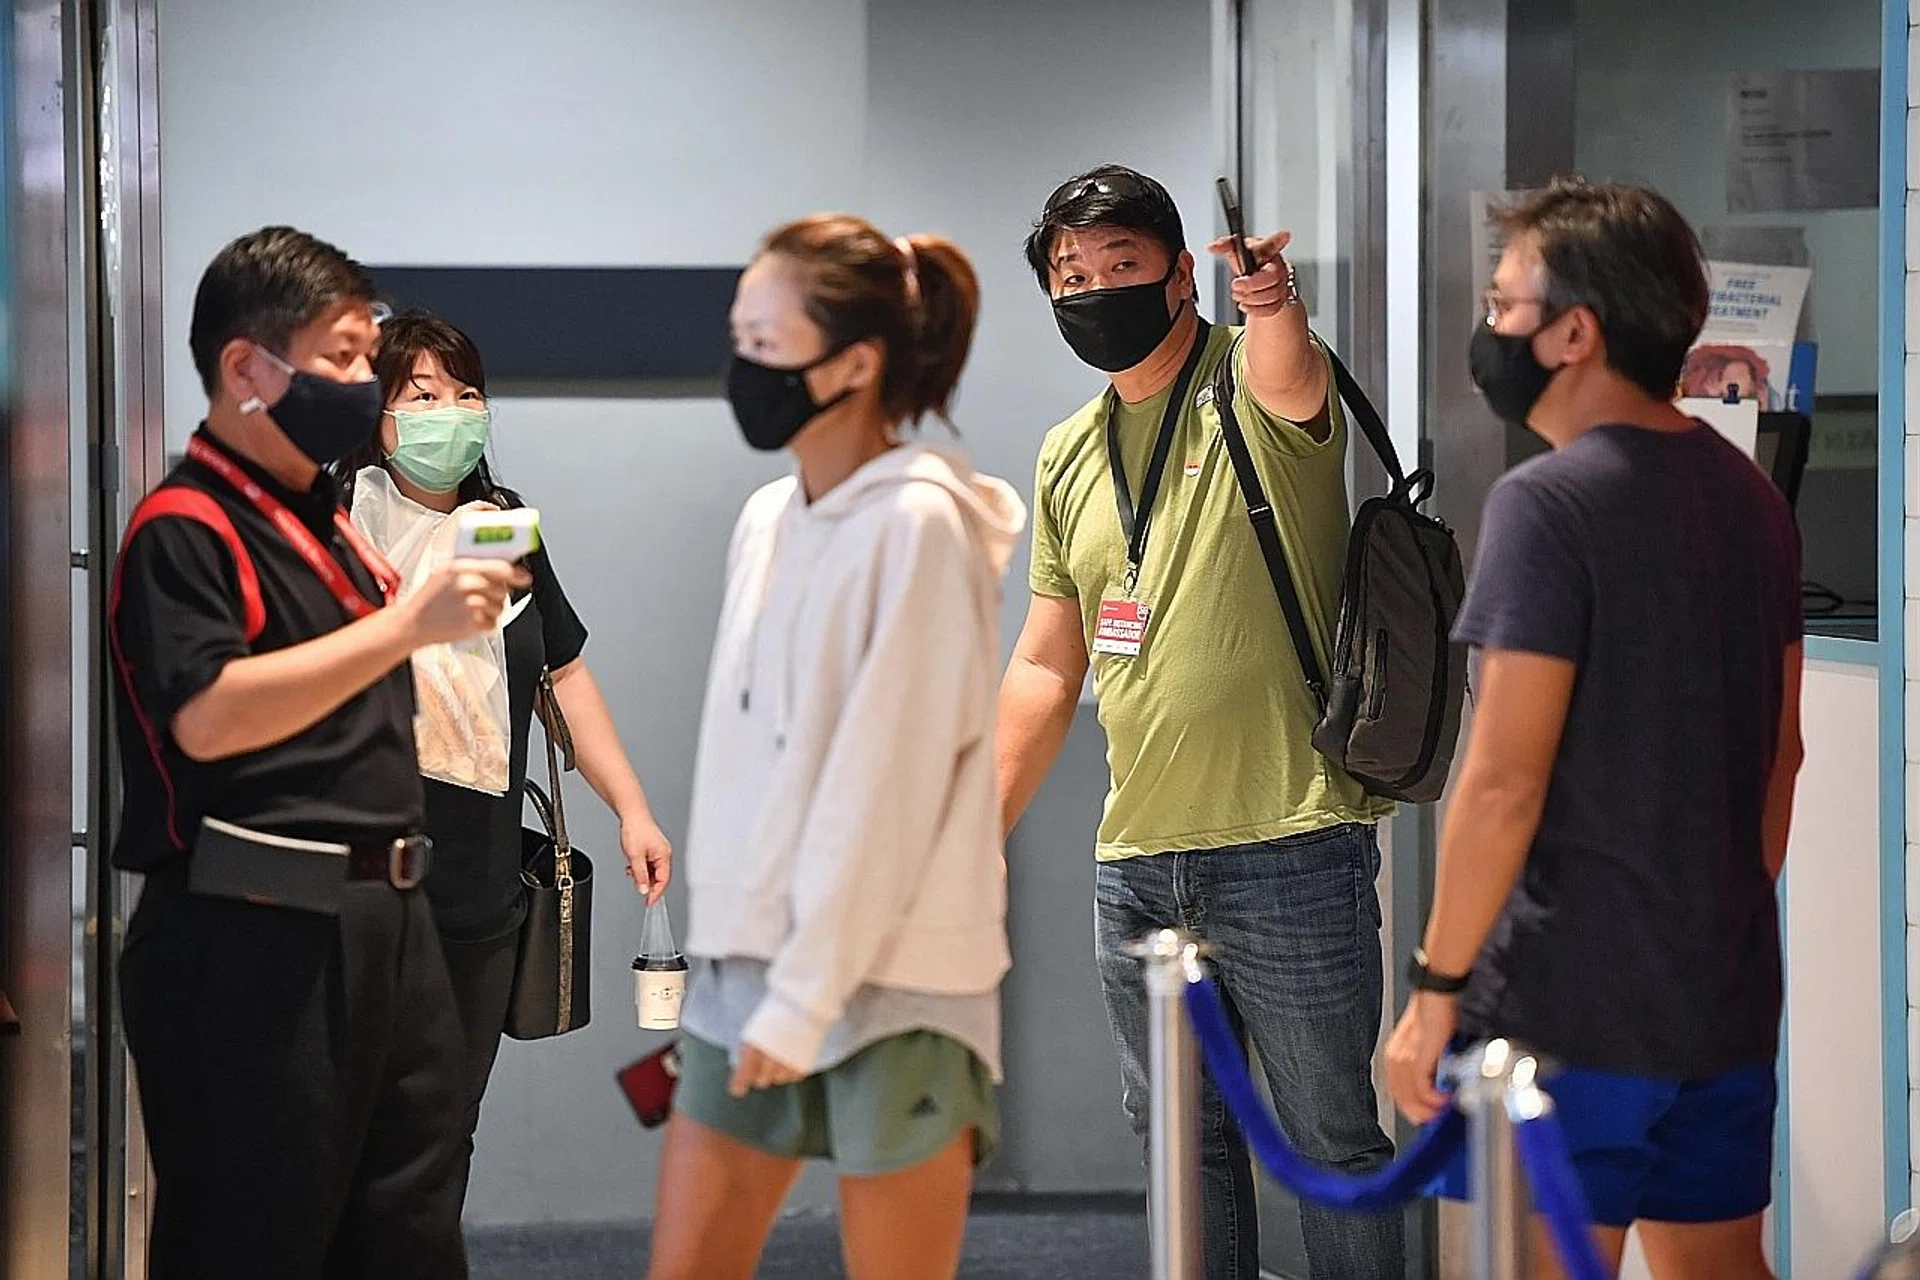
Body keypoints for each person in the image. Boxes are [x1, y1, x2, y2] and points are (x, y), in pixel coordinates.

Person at [1384, 179, 1803, 1279]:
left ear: (1576, 332)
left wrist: (1434, 991)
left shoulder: (1547, 505)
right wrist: (1715, 930)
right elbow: (1784, 754)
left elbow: (1502, 780)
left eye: (1506, 300)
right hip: (1720, 987)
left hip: (1563, 999)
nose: (1492, 325)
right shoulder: (1751, 496)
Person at [996, 164, 1402, 1279]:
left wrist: (1272, 303)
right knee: (1184, 1142)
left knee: (1332, 1138)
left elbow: (1290, 370)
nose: (1092, 291)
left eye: (1120, 267)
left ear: (1182, 276)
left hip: (1291, 840)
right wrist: (973, 828)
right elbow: (1044, 660)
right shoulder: (1067, 450)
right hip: (1136, 859)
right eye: (1070, 275)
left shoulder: (1253, 388)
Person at [109, 227, 524, 1278]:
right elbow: (205, 715)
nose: (359, 381)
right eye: (341, 358)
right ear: (248, 368)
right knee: (258, 1230)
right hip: (252, 932)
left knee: (407, 1230)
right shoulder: (185, 527)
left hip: (389, 918)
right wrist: (404, 625)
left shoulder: (325, 527)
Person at [646, 214, 1023, 1280]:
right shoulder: (769, 515)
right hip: (749, 959)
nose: (742, 365)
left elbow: (884, 788)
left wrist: (808, 992)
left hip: (895, 971)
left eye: (765, 340)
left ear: (855, 363)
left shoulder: (920, 525)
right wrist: (736, 957)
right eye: (741, 334)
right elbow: (747, 759)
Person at [338, 310, 673, 1208]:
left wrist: (631, 808)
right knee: (347, 1133)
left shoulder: (502, 529)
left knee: (444, 1137)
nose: (451, 410)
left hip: (479, 882)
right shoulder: (336, 523)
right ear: (377, 414)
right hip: (357, 882)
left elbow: (560, 678)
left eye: (466, 393)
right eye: (422, 395)